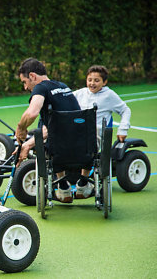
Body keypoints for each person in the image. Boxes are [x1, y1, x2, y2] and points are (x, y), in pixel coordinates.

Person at [14, 58, 81, 203]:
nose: (25, 88)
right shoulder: (63, 86)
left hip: (59, 152)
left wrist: (21, 128)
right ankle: (79, 185)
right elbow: (56, 127)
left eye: (24, 82)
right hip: (83, 148)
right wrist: (26, 145)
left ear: (32, 76)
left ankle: (63, 186)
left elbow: (32, 113)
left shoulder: (41, 88)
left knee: (46, 144)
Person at [72, 65, 131, 198]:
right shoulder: (80, 93)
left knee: (88, 148)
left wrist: (123, 129)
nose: (92, 83)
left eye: (96, 80)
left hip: (96, 134)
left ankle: (83, 181)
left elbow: (125, 110)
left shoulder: (109, 95)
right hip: (77, 132)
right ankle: (62, 184)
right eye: (89, 80)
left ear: (104, 82)